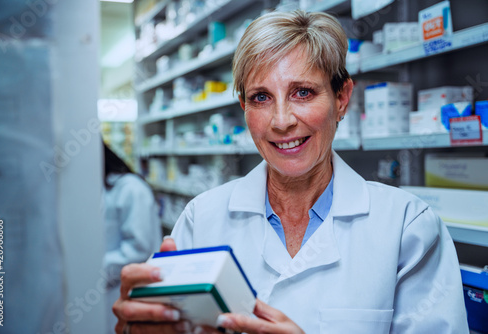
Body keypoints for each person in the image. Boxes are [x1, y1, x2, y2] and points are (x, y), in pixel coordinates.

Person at [112, 10, 469, 334]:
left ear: (341, 98)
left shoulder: (408, 227)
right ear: (244, 107)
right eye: (261, 98)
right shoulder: (201, 219)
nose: (282, 121)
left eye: (302, 92)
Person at [102, 141, 162, 334]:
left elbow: (139, 249)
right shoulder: (93, 189)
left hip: (122, 290)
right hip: (105, 291)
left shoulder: (131, 188)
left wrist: (91, 270)